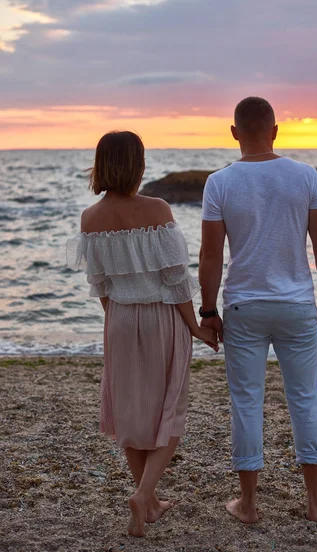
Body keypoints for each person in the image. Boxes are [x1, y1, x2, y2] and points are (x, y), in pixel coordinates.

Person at [67, 131, 217, 537]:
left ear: (100, 165)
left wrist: (117, 319)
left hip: (118, 319)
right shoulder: (157, 208)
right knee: (170, 409)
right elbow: (175, 280)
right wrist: (196, 327)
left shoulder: (90, 218)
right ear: (138, 165)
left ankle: (148, 503)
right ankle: (144, 493)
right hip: (163, 319)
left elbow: (100, 285)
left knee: (132, 410)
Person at [199, 97, 317, 524]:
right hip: (296, 304)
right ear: (276, 130)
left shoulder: (218, 182)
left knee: (246, 401)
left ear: (234, 132)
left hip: (244, 303)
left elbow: (210, 256)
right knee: (305, 397)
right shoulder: (305, 175)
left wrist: (207, 311)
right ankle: (316, 501)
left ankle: (249, 504)